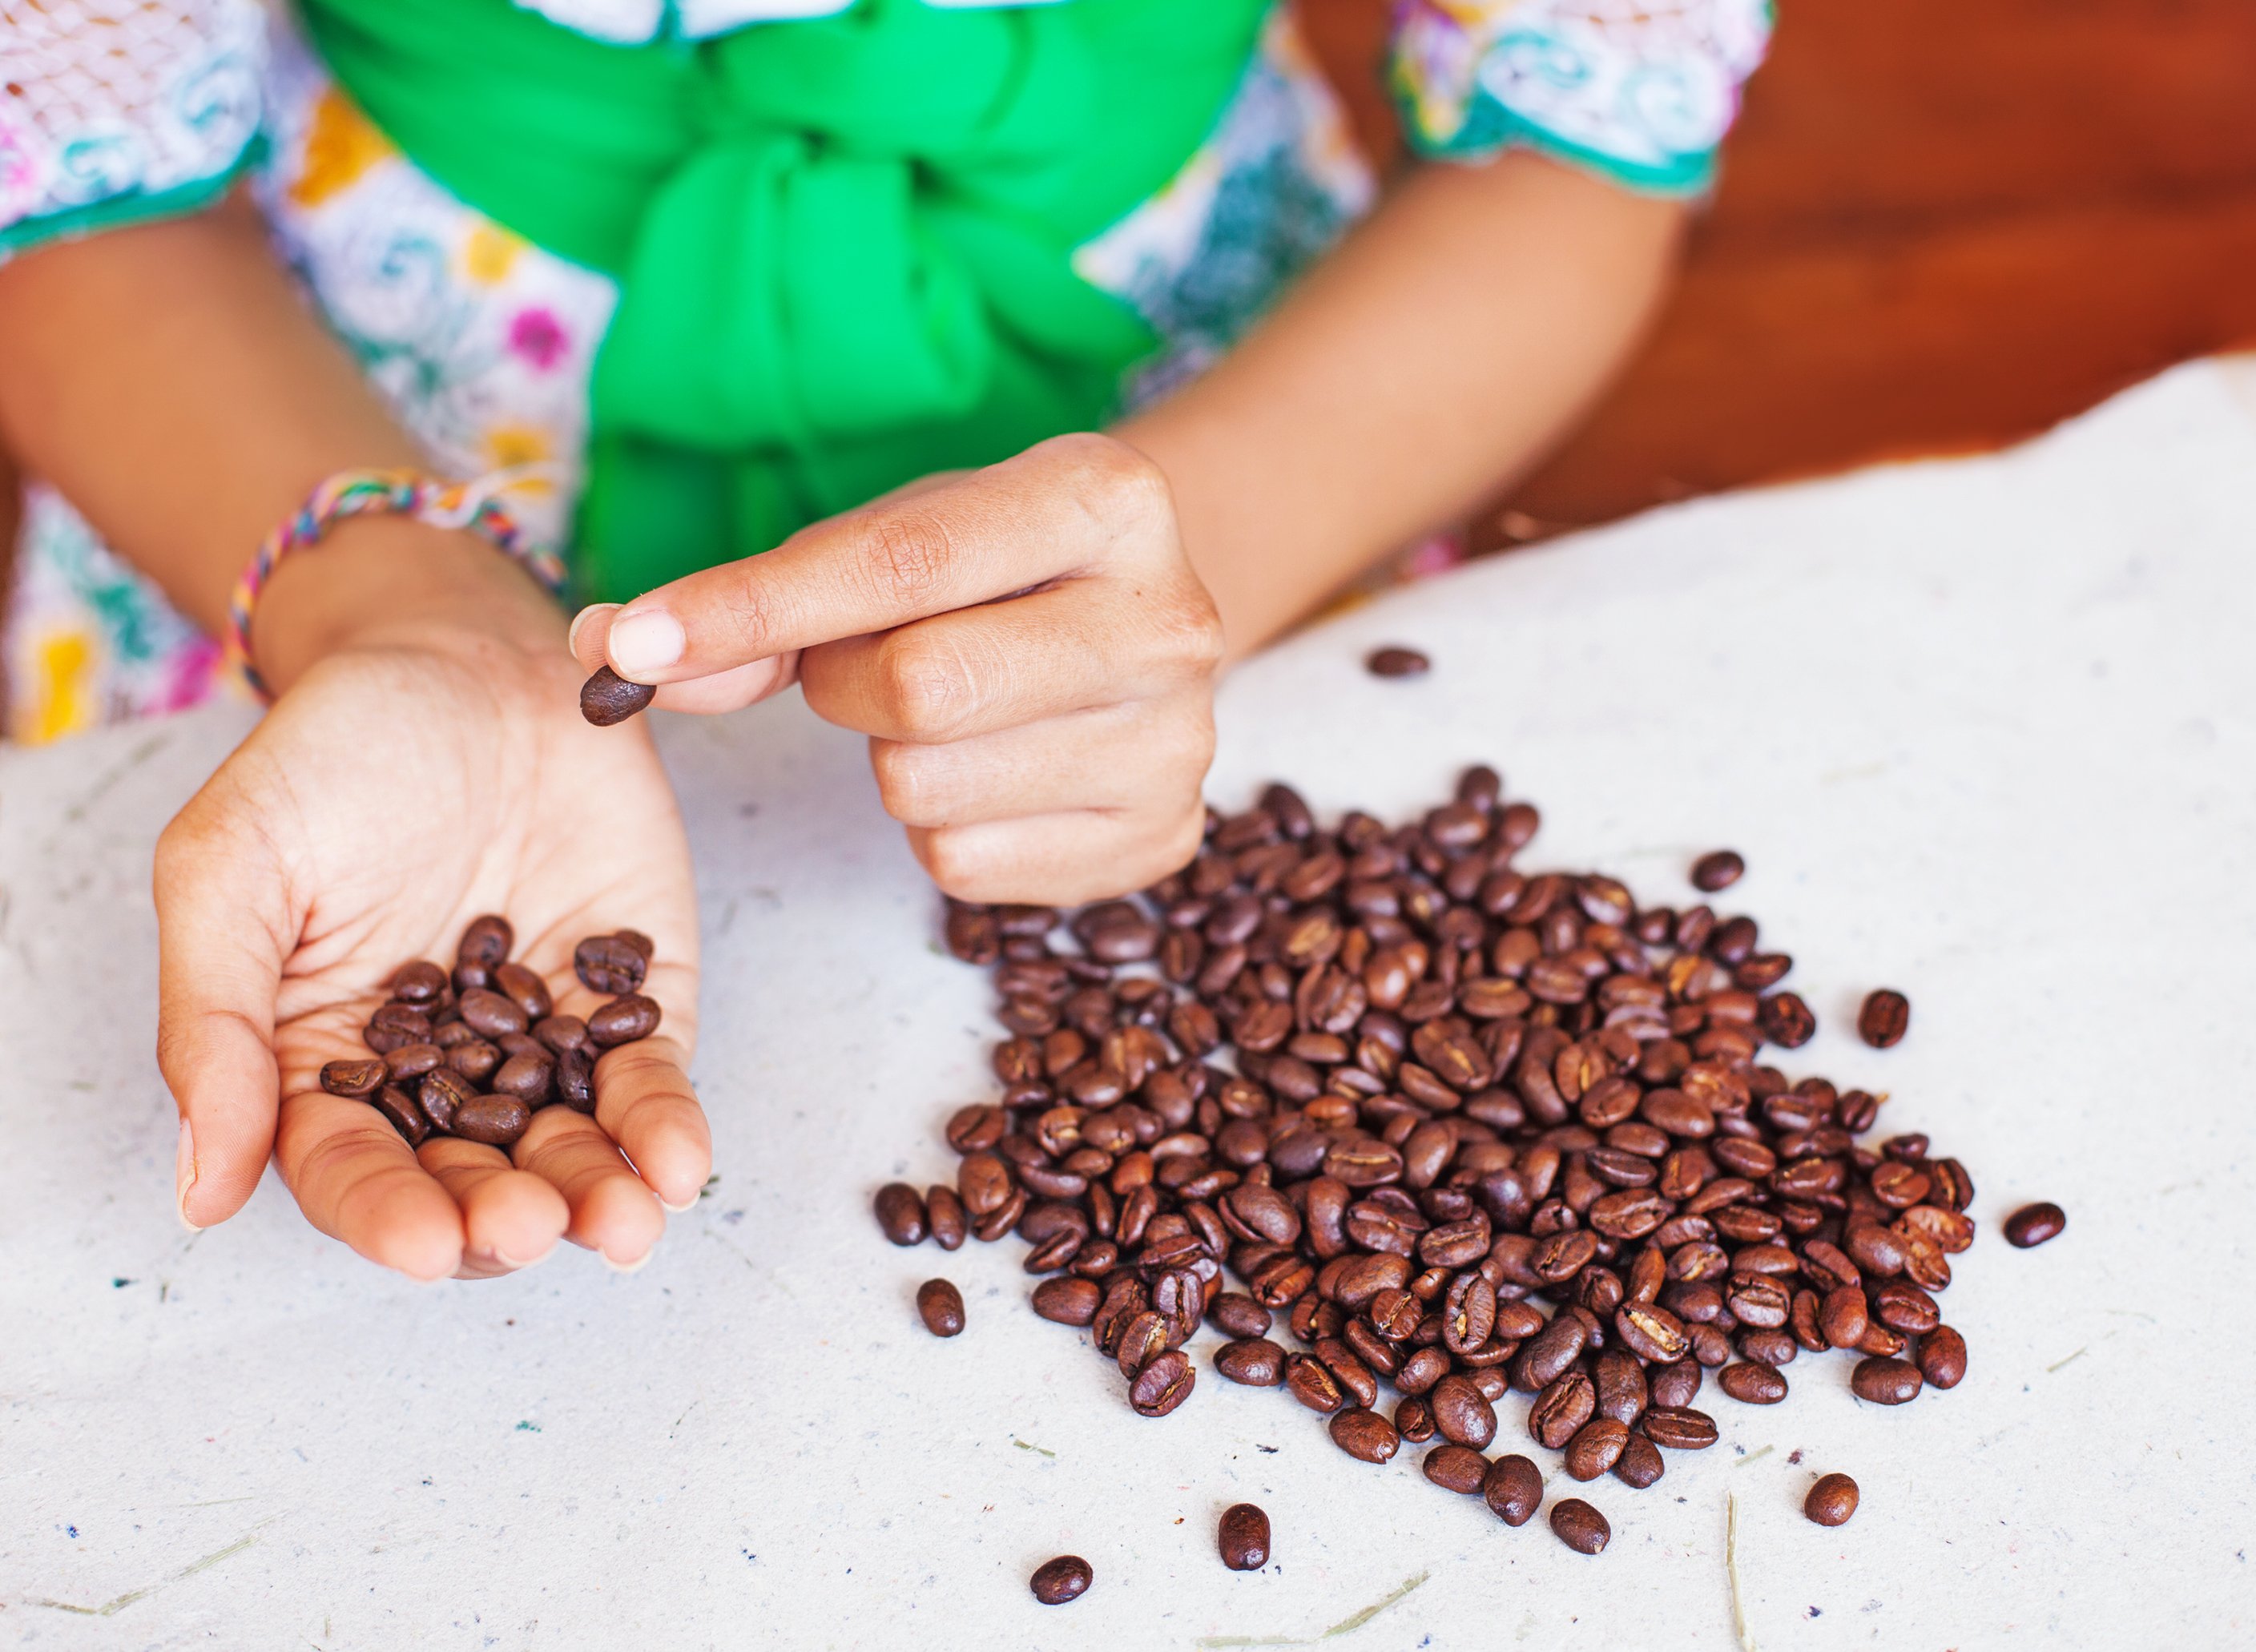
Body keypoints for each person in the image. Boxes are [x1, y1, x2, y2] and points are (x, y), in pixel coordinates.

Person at [0, 0, 1770, 1279]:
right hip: (316, 426)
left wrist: (1183, 562)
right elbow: (81, 202)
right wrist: (395, 610)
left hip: (1240, 393)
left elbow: (1577, 138)